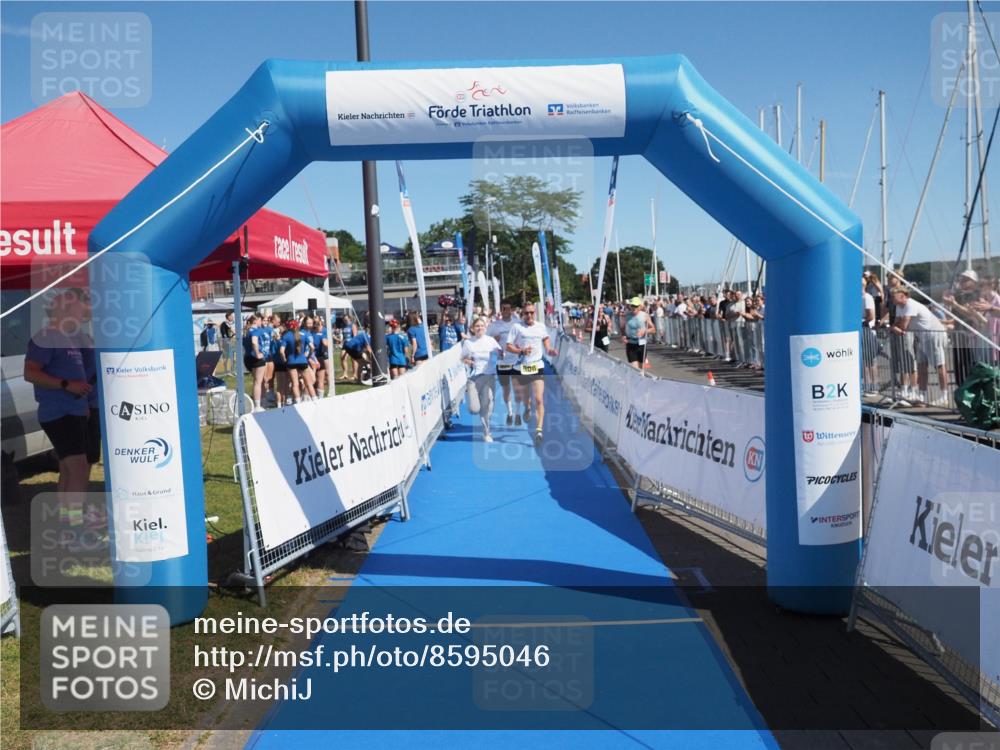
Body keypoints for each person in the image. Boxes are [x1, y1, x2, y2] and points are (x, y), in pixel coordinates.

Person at [23, 289, 97, 495]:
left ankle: (67, 521)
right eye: (80, 311)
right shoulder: (45, 337)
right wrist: (66, 384)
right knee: (78, 468)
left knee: (69, 468)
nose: (84, 316)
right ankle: (73, 523)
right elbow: (30, 373)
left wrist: (83, 405)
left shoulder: (72, 338)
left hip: (75, 411)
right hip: (59, 413)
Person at [505, 302, 558, 442]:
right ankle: (527, 407)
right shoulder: (517, 327)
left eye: (531, 312)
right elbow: (508, 346)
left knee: (539, 398)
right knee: (526, 399)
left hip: (537, 366)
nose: (529, 315)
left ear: (535, 313)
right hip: (522, 367)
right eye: (526, 313)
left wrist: (549, 350)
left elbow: (545, 339)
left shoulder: (540, 327)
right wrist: (521, 351)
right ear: (522, 314)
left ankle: (539, 430)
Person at [891, 286, 949, 405]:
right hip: (921, 337)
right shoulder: (899, 306)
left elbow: (903, 326)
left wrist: (894, 328)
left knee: (939, 366)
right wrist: (894, 327)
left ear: (903, 296)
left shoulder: (910, 305)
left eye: (894, 295)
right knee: (922, 366)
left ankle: (944, 396)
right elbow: (897, 323)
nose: (892, 297)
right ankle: (922, 395)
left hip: (934, 334)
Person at [461, 316, 502, 442]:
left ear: (485, 328)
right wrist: (469, 362)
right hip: (474, 378)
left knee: (488, 404)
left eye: (482, 326)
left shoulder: (491, 341)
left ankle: (486, 432)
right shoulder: (469, 343)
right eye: (477, 326)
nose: (480, 328)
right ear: (473, 329)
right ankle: (472, 399)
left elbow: (500, 354)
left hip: (489, 376)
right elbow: (463, 358)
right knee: (475, 409)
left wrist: (500, 354)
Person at [487, 301, 519, 425]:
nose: (506, 311)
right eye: (504, 309)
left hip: (516, 361)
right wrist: (494, 340)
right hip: (502, 362)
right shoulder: (494, 326)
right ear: (501, 311)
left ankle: (517, 413)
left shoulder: (516, 323)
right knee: (506, 389)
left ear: (511, 310)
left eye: (508, 308)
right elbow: (486, 340)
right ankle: (510, 413)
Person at [280, 319, 316, 403]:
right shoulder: (304, 334)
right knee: (309, 383)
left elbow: (281, 351)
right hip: (303, 361)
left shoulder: (286, 336)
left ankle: (298, 402)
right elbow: (312, 347)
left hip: (291, 362)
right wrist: (309, 356)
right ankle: (315, 400)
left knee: (295, 384)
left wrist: (284, 360)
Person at [241, 314, 268, 411]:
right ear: (255, 321)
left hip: (248, 358)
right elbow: (254, 341)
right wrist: (257, 353)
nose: (262, 322)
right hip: (256, 358)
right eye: (260, 320)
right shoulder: (255, 331)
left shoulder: (246, 331)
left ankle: (261, 402)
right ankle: (257, 406)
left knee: (258, 381)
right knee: (258, 382)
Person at [622, 296, 655, 369]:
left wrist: (644, 331)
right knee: (635, 369)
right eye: (632, 305)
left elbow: (653, 329)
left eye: (636, 306)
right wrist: (623, 336)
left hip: (641, 344)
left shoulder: (645, 315)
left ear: (640, 306)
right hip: (630, 344)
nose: (634, 307)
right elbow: (622, 327)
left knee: (641, 369)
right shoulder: (627, 315)